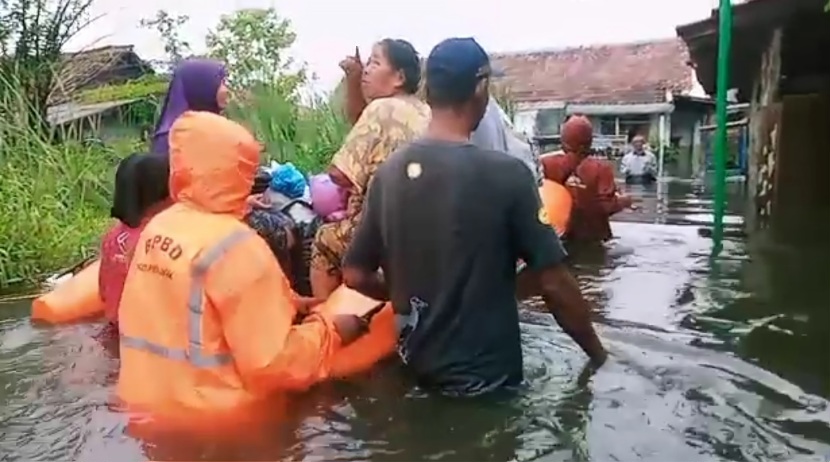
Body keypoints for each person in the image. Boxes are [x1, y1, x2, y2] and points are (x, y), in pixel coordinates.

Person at [341, 37, 607, 397]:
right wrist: (600, 357)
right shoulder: (508, 175)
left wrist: (412, 294)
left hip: (415, 380)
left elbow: (354, 274)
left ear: (429, 89)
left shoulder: (388, 174)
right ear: (480, 88)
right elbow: (553, 283)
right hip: (490, 390)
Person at [116, 111, 370, 415]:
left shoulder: (159, 227)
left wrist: (287, 301)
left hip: (144, 410)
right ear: (243, 174)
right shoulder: (238, 246)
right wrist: (331, 330)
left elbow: (189, 306)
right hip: (223, 423)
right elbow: (274, 366)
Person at [310, 38, 430, 299]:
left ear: (398, 77)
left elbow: (340, 173)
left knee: (323, 239)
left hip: (384, 229)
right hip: (426, 226)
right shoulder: (425, 111)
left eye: (375, 62)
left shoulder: (381, 108)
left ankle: (324, 318)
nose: (367, 69)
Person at [99, 152, 171, 329]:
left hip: (114, 332)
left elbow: (103, 292)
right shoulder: (163, 240)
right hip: (148, 340)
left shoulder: (112, 237)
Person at [541, 116, 635, 242]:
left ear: (563, 140)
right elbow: (606, 205)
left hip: (562, 237)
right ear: (590, 141)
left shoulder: (546, 164)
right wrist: (625, 201)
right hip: (594, 237)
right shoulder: (600, 169)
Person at [151, 58, 229, 155]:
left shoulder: (223, 131)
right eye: (220, 83)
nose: (226, 90)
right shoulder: (172, 141)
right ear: (201, 87)